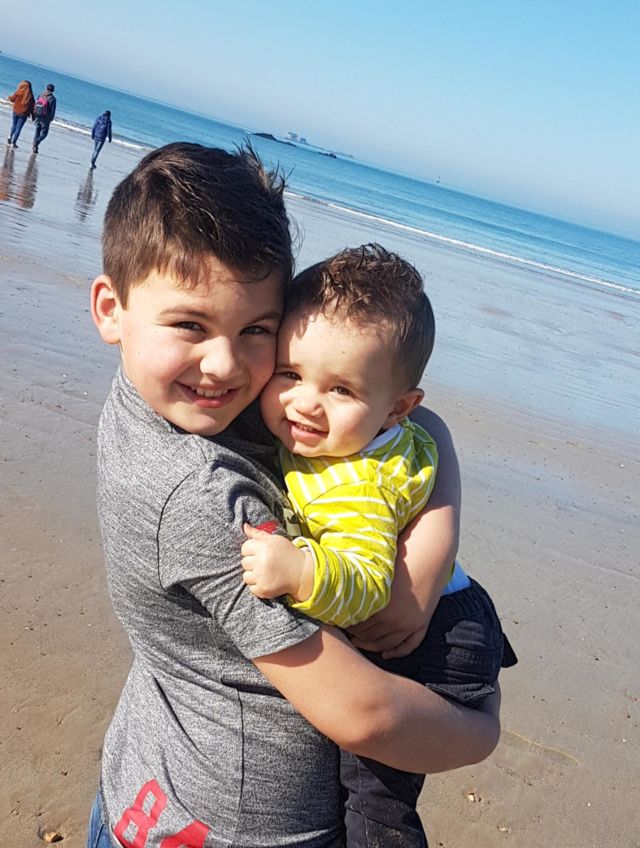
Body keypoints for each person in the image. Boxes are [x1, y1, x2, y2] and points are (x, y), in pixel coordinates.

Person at [87, 143, 500, 848]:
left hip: (156, 770)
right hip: (238, 827)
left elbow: (418, 425)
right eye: (190, 325)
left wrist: (427, 563)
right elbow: (364, 715)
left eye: (256, 331)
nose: (223, 364)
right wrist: (481, 732)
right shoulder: (199, 496)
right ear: (110, 309)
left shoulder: (183, 395)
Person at [242, 244, 517, 846]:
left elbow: (369, 590)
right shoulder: (370, 435)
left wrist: (300, 572)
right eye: (290, 373)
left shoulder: (357, 487)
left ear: (397, 409)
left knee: (374, 805)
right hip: (462, 603)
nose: (304, 402)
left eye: (341, 390)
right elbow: (433, 432)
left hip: (436, 640)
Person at [7, 80, 35, 148]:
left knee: (14, 124)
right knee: (18, 128)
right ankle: (13, 143)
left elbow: (12, 99)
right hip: (23, 114)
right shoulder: (31, 96)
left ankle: (10, 136)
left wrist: (9, 97)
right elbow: (32, 107)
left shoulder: (19, 91)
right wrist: (33, 115)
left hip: (16, 111)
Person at [32, 83, 57, 154]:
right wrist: (51, 118)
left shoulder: (41, 95)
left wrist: (34, 114)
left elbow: (36, 104)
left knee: (37, 131)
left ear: (46, 88)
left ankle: (35, 147)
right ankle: (36, 142)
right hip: (45, 118)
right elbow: (52, 110)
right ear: (53, 90)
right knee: (44, 133)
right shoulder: (52, 99)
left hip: (38, 115)